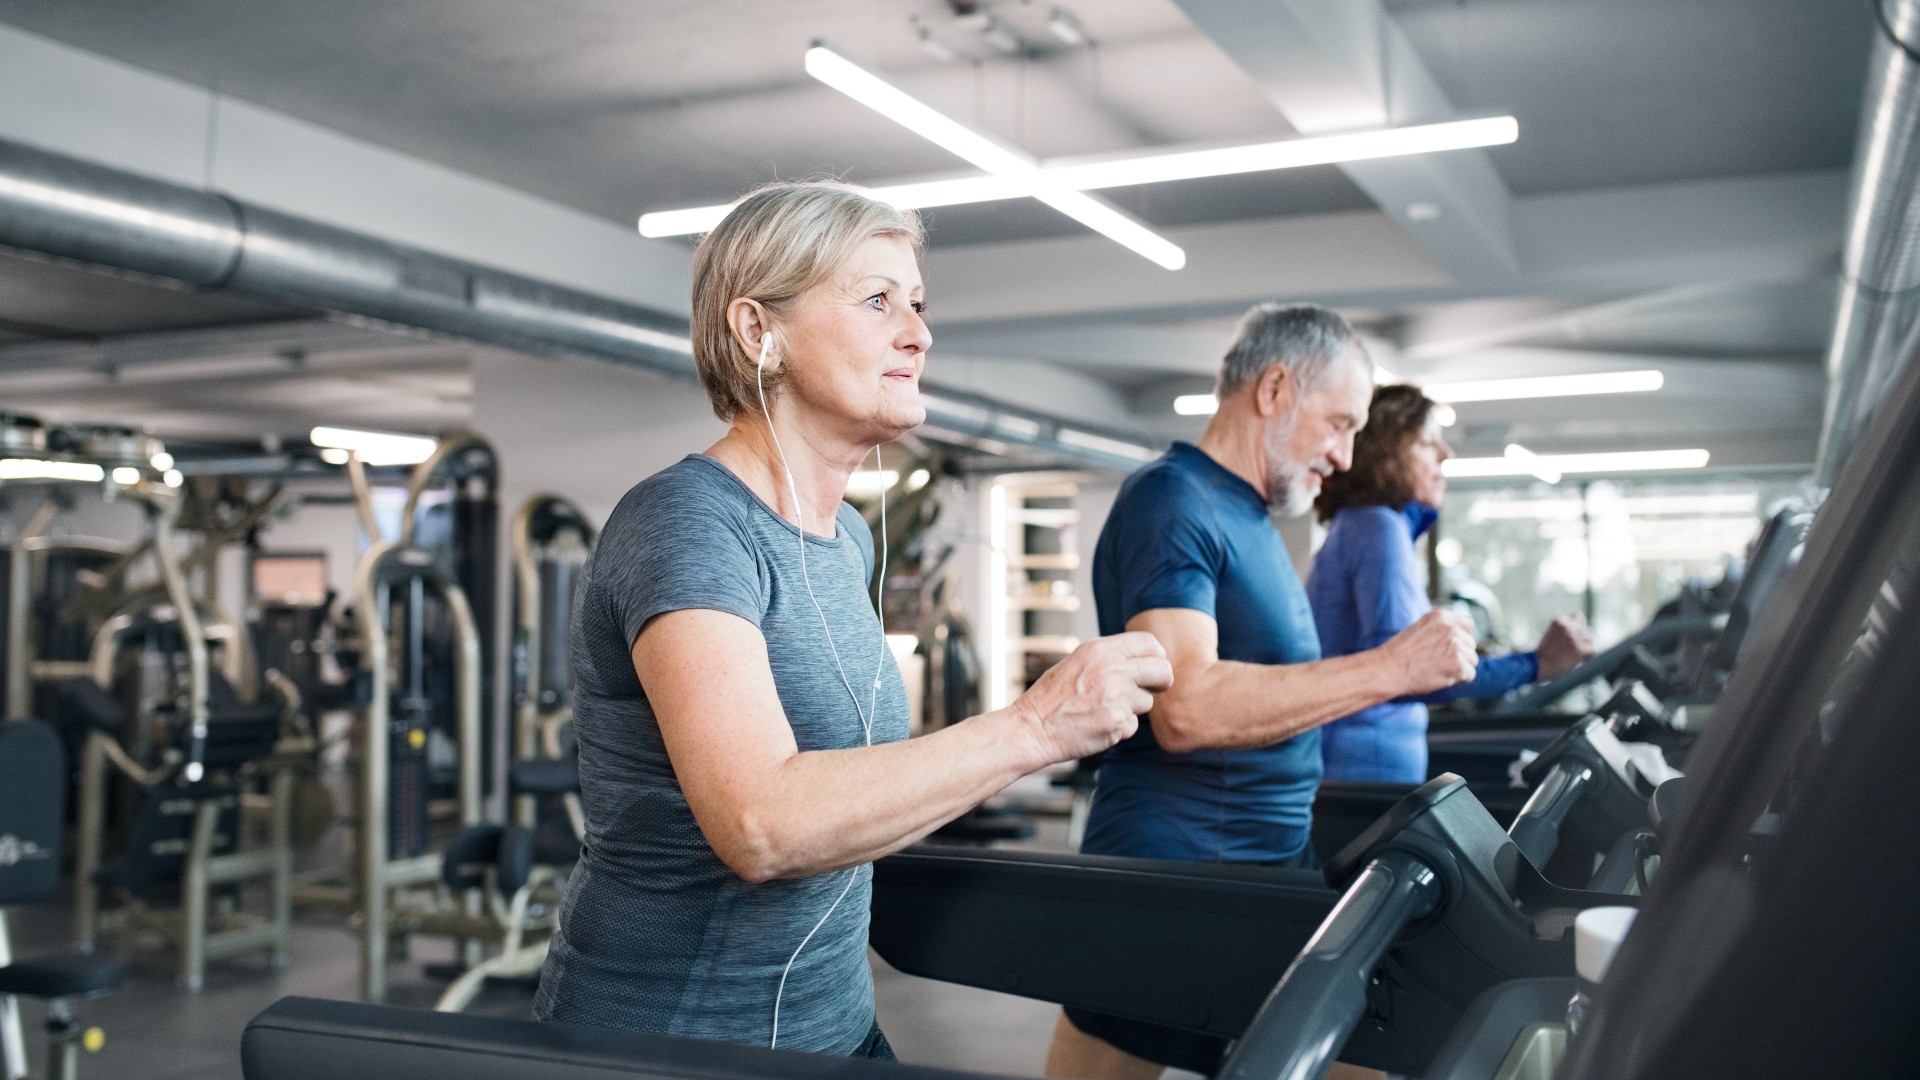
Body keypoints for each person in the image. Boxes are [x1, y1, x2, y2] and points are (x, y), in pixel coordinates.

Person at [533, 181, 1173, 1058]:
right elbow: (761, 825)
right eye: (878, 301)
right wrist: (1037, 725)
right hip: (674, 1042)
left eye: (916, 303)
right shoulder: (684, 523)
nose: (918, 332)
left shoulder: (845, 542)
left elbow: (856, 800)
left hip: (831, 1027)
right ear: (759, 331)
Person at [1043, 303, 1481, 1080]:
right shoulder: (1172, 498)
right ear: (1275, 389)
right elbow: (1187, 708)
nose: (1345, 457)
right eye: (1339, 424)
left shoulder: (1248, 517)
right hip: (1179, 882)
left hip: (1266, 864)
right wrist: (1392, 668)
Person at [1307, 384, 1597, 784]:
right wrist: (1536, 663)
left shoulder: (1363, 525)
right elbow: (1410, 673)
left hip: (1354, 760)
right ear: (1386, 454)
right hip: (1364, 768)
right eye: (1428, 443)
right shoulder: (1377, 528)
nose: (1446, 453)